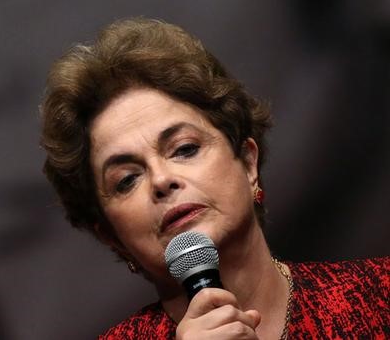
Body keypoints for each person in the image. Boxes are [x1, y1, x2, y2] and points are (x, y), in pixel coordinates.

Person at [40, 17, 390, 339]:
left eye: (184, 149)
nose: (162, 180)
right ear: (110, 237)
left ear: (249, 163)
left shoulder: (379, 295)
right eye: (127, 179)